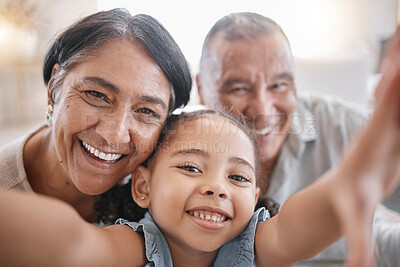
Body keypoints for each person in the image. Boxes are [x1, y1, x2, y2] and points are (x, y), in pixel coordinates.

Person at [0, 79, 399, 266]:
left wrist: (349, 178)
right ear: (143, 187)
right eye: (191, 167)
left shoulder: (255, 245)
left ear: (257, 195)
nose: (216, 188)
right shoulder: (135, 248)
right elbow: (69, 244)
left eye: (239, 178)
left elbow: (299, 224)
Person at [196, 12, 400, 265]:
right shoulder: (174, 153)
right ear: (202, 88)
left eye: (279, 85)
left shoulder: (347, 128)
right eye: (239, 88)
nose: (264, 110)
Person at [0, 8, 192, 223]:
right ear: (54, 88)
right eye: (97, 95)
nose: (115, 136)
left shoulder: (165, 194)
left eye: (146, 111)